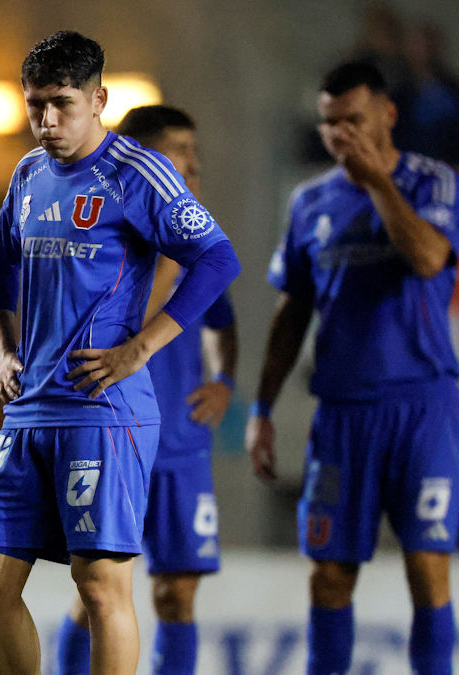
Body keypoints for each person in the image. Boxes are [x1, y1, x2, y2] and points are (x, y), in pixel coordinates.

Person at [0, 31, 240, 675]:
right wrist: (2, 346)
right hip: (28, 411)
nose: (47, 121)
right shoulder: (28, 173)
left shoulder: (136, 173)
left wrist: (140, 348)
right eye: (35, 105)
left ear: (98, 100)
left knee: (99, 587)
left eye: (62, 104)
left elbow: (217, 258)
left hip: (102, 410)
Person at [247, 60, 459, 675]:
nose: (342, 135)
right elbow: (292, 312)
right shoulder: (309, 201)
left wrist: (378, 185)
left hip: (421, 407)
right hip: (341, 413)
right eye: (330, 124)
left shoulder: (432, 181)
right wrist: (262, 408)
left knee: (427, 565)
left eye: (354, 121)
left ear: (387, 115)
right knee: (330, 576)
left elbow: (428, 258)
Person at [52, 105, 237, 675]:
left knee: (177, 593)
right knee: (97, 591)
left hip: (181, 445)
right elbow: (135, 316)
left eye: (194, 152)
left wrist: (224, 380)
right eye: (180, 151)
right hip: (115, 435)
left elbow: (222, 319)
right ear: (144, 158)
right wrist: (171, 246)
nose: (193, 165)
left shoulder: (195, 243)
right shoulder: (105, 234)